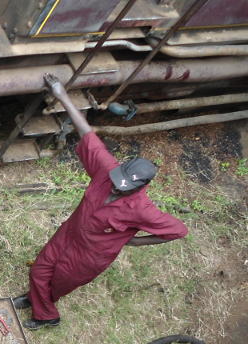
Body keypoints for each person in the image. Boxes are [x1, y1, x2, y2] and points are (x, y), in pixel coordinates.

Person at [13, 74, 188, 330]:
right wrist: (62, 95)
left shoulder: (141, 209)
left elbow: (178, 230)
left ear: (141, 187)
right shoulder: (107, 170)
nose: (117, 187)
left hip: (90, 255)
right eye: (118, 181)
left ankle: (47, 315)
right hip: (70, 233)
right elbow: (87, 134)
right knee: (40, 270)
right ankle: (37, 300)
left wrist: (135, 241)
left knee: (60, 282)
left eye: (124, 188)